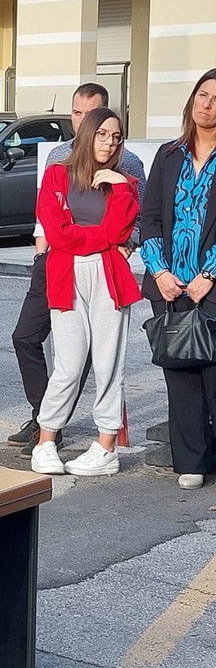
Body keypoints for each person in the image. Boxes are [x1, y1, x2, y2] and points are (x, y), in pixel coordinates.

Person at [8, 83, 146, 457]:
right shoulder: (57, 172)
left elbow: (123, 231)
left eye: (116, 137)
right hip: (64, 271)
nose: (109, 143)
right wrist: (99, 239)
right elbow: (57, 233)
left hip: (110, 277)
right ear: (86, 134)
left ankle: (105, 446)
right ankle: (47, 437)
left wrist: (118, 187)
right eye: (102, 134)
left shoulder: (127, 178)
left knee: (107, 364)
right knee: (67, 363)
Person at [139, 68, 216, 490]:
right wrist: (160, 270)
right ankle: (191, 462)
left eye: (215, 98)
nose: (206, 104)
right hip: (170, 286)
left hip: (211, 284)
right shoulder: (169, 155)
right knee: (182, 372)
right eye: (202, 95)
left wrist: (211, 273)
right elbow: (149, 218)